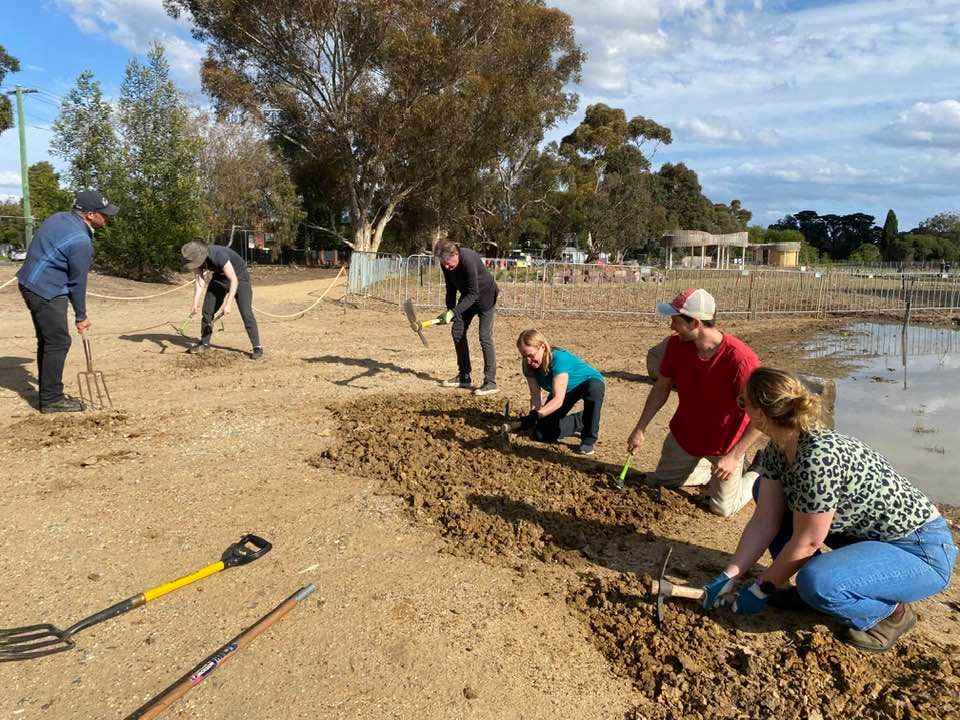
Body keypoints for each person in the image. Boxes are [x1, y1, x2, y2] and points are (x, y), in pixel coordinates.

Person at [702, 367, 957, 653]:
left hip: (920, 551)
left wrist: (762, 587)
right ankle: (814, 593)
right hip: (867, 536)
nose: (742, 409)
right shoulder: (780, 445)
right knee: (763, 488)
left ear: (761, 413)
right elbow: (765, 521)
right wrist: (730, 575)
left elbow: (808, 541)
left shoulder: (817, 458)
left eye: (743, 403)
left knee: (818, 583)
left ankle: (891, 614)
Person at [627, 288, 762, 517]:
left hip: (725, 445)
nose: (671, 326)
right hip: (685, 436)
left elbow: (760, 416)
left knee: (722, 509)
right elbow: (662, 387)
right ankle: (701, 468)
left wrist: (735, 456)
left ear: (695, 323)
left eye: (675, 320)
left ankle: (757, 472)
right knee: (661, 483)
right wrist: (640, 427)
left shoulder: (741, 360)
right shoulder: (675, 346)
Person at [16, 189, 119, 413]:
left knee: (49, 339)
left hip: (29, 282)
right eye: (104, 214)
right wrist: (81, 316)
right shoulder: (81, 240)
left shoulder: (58, 218)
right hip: (46, 289)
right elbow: (77, 282)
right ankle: (52, 399)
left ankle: (47, 393)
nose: (108, 217)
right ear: (90, 214)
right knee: (58, 341)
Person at [508, 329, 605, 455]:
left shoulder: (559, 359)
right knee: (541, 433)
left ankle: (589, 437)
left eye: (531, 355)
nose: (528, 360)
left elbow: (558, 400)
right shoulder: (528, 365)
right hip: (561, 390)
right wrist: (534, 415)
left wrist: (538, 415)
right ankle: (581, 420)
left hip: (586, 383)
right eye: (524, 356)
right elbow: (535, 395)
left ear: (542, 347)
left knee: (594, 388)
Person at [434, 240, 499, 396]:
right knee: (457, 331)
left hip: (486, 297)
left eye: (449, 264)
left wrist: (453, 312)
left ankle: (490, 382)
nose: (447, 267)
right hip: (468, 299)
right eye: (444, 264)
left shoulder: (468, 259)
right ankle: (464, 376)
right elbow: (450, 289)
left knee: (484, 337)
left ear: (456, 254)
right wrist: (450, 311)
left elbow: (473, 293)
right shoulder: (445, 264)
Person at [181, 239, 262, 359]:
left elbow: (234, 279)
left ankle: (257, 347)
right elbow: (199, 281)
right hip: (219, 278)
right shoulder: (195, 259)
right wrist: (195, 302)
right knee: (207, 311)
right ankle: (205, 343)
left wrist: (228, 303)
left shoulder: (218, 255)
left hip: (239, 277)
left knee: (246, 312)